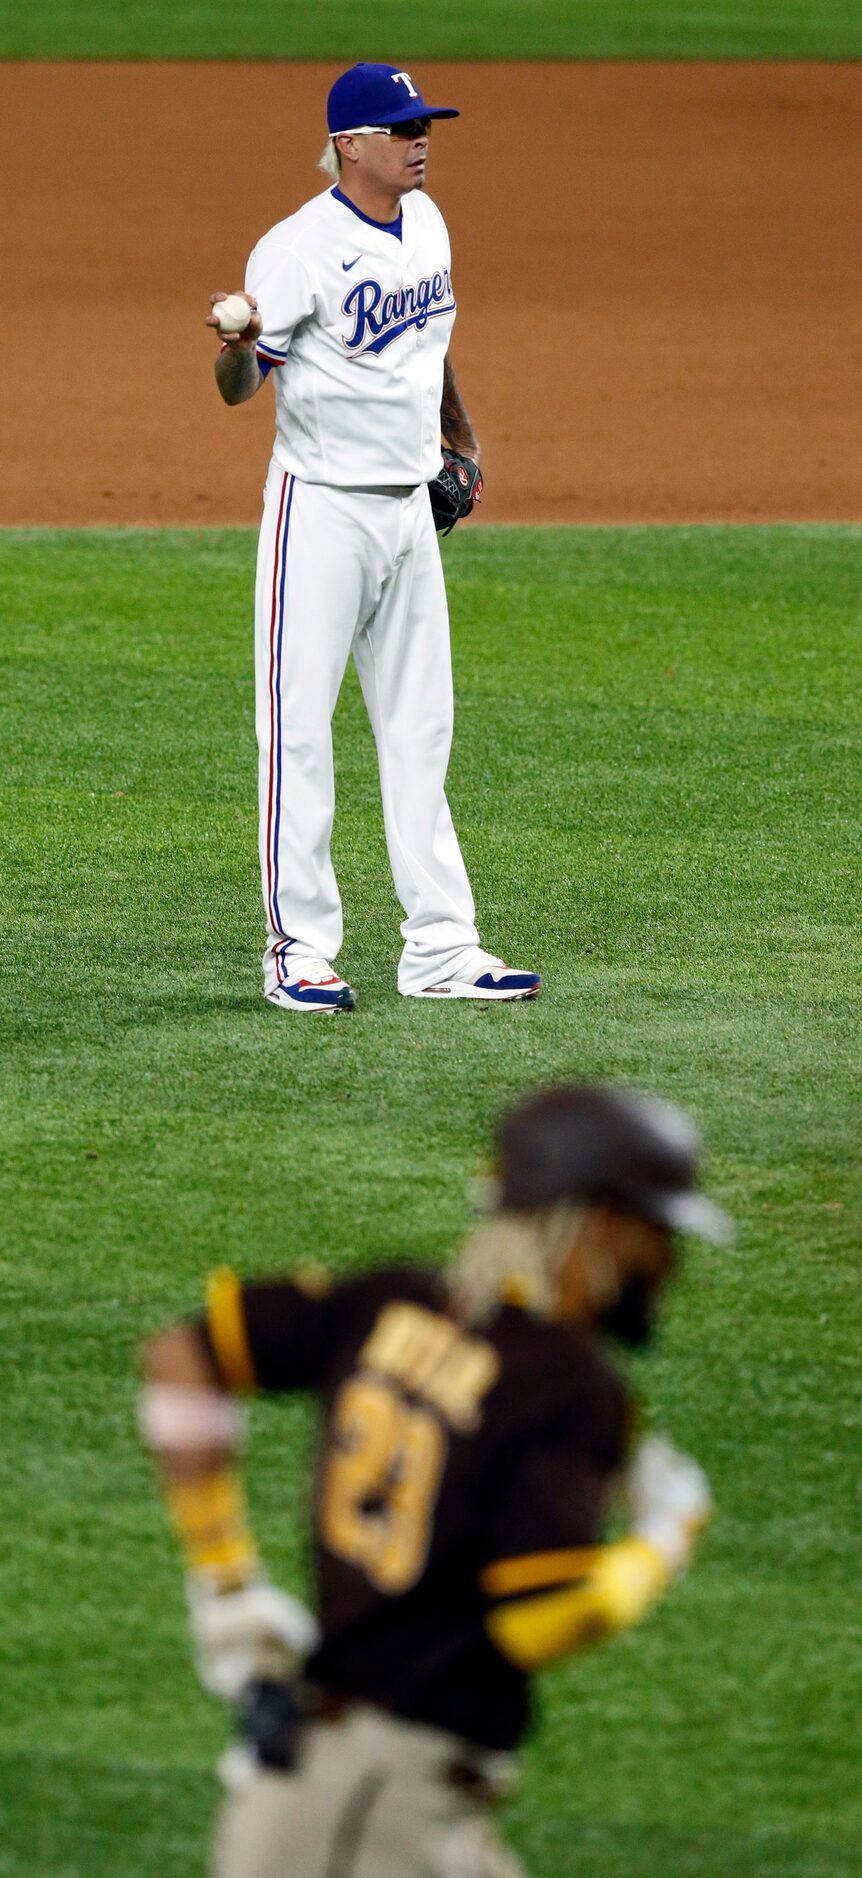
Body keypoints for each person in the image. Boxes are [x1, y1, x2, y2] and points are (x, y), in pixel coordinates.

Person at [140, 1083, 727, 1877]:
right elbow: (542, 1618)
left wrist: (223, 1578)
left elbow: (183, 1355)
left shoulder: (393, 1301)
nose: (666, 1260)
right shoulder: (566, 1383)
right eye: (656, 1230)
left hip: (357, 1787)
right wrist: (664, 1538)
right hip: (371, 1809)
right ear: (599, 1224)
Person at [206, 62, 539, 1013]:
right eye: (401, 128)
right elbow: (242, 391)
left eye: (424, 123)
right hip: (321, 514)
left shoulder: (427, 224)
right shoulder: (296, 250)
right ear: (350, 145)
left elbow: (428, 346)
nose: (421, 138)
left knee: (421, 729)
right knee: (298, 733)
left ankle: (442, 949)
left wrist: (458, 438)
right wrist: (235, 353)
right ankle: (298, 950)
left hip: (406, 512)